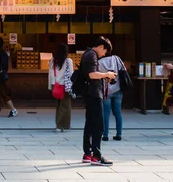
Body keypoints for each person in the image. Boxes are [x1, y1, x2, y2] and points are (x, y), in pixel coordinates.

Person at [81, 37, 116, 166]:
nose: (104, 54)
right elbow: (92, 74)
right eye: (105, 51)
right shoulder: (92, 55)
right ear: (101, 46)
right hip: (94, 94)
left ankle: (87, 154)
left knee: (90, 124)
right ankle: (96, 156)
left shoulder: (88, 54)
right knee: (98, 125)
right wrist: (107, 74)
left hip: (90, 93)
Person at [98, 44, 127, 141]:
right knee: (117, 112)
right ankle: (119, 134)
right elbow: (124, 70)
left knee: (105, 113)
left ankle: (105, 134)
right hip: (118, 88)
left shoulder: (99, 62)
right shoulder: (116, 58)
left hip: (106, 90)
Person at [49, 43, 73, 132]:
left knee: (59, 105)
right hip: (65, 86)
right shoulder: (68, 61)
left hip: (56, 85)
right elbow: (71, 74)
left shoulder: (53, 61)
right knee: (65, 106)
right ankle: (62, 125)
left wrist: (52, 86)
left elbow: (51, 75)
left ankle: (58, 124)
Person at [0, 34, 18, 118]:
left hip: (0, 77)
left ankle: (13, 109)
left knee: (4, 94)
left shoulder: (2, 54)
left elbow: (4, 66)